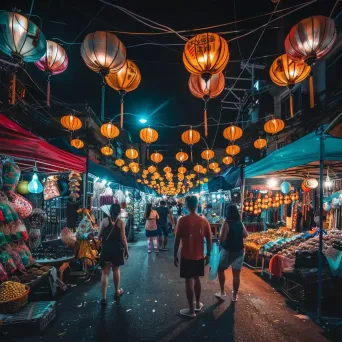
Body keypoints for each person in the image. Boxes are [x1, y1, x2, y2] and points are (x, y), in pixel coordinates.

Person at [174, 195, 212, 318]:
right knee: (197, 279)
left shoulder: (182, 220)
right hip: (199, 255)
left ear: (186, 205)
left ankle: (191, 310)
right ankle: (197, 305)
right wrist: (209, 254)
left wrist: (175, 255)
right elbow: (210, 239)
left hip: (186, 255)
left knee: (188, 281)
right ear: (197, 205)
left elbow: (177, 239)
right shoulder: (203, 220)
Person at [215, 204, 248, 302]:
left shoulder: (226, 223)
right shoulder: (240, 223)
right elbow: (246, 235)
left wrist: (219, 238)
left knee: (220, 270)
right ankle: (234, 296)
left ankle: (222, 292)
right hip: (239, 251)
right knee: (236, 274)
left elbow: (222, 240)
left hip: (228, 251)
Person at [98, 203, 129, 306]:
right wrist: (126, 251)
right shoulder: (121, 223)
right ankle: (116, 292)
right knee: (116, 269)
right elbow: (123, 239)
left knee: (105, 273)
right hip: (116, 249)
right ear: (119, 212)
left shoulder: (104, 221)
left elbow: (99, 236)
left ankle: (103, 298)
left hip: (106, 248)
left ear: (109, 211)